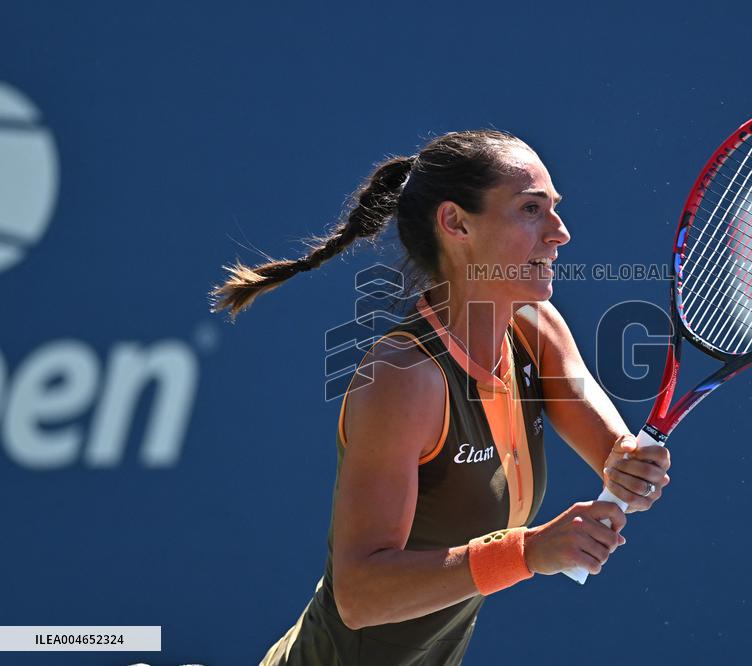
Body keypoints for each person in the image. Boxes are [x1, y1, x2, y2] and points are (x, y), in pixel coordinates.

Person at [209, 130, 672, 665]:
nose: (560, 233)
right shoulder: (403, 379)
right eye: (530, 210)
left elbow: (613, 451)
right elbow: (358, 598)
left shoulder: (536, 330)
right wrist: (528, 552)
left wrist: (629, 467)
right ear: (456, 224)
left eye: (555, 210)